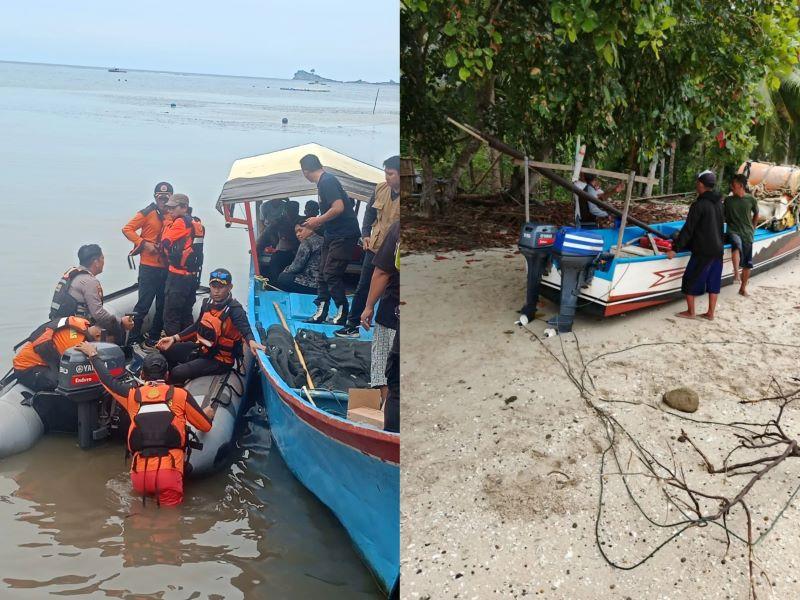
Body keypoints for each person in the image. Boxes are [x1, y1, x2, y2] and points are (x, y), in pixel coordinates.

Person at [73, 345, 213, 506]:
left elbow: (107, 381)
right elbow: (205, 427)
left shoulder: (132, 396)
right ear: (167, 375)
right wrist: (207, 414)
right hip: (169, 472)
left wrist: (93, 355)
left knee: (139, 514)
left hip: (140, 474)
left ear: (142, 375)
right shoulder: (181, 395)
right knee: (170, 519)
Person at [155, 269, 265, 385]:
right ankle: (171, 382)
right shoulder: (207, 304)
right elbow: (197, 326)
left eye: (221, 287)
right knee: (167, 350)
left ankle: (177, 385)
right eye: (213, 286)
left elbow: (245, 329)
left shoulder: (235, 310)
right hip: (203, 350)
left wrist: (251, 342)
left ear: (230, 287)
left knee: (178, 372)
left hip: (220, 360)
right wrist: (173, 338)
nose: (216, 291)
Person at [336, 155, 402, 338]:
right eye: (386, 173)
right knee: (363, 286)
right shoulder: (380, 188)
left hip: (396, 251)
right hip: (376, 246)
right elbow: (369, 214)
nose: (387, 177)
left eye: (391, 174)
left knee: (392, 292)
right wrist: (365, 235)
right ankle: (352, 325)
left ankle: (389, 330)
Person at [300, 154, 361, 325]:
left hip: (344, 234)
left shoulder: (327, 181)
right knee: (322, 273)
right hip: (332, 233)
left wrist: (318, 220)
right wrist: (313, 225)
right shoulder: (322, 183)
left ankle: (342, 311)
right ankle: (321, 311)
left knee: (331, 273)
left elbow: (338, 207)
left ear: (305, 171)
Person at [666, 170, 725, 320]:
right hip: (718, 249)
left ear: (701, 184)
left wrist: (675, 249)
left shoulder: (699, 204)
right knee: (713, 281)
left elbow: (688, 229)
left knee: (689, 279)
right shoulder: (719, 203)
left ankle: (691, 312)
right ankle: (710, 313)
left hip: (703, 250)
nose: (696, 185)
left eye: (697, 182)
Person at [122, 181, 174, 347]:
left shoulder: (173, 216)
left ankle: (154, 337)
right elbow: (127, 229)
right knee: (143, 304)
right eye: (160, 197)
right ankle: (133, 338)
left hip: (166, 267)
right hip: (148, 267)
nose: (163, 200)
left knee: (162, 305)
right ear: (155, 197)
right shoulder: (147, 212)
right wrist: (143, 244)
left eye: (166, 197)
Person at [49, 244, 134, 341]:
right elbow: (99, 314)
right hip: (73, 331)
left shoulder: (72, 274)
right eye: (102, 258)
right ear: (96, 262)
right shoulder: (89, 281)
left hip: (61, 324)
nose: (104, 262)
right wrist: (121, 322)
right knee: (116, 330)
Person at [360, 221, 400, 424]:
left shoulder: (398, 228)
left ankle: (387, 419)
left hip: (394, 313)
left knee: (387, 373)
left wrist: (369, 306)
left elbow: (382, 272)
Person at [13, 316, 102, 391]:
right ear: (98, 335)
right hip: (26, 368)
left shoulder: (82, 323)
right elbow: (71, 370)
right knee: (60, 383)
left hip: (40, 362)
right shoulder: (74, 345)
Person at [160, 194, 205, 336]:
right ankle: (188, 344)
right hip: (191, 277)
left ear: (184, 207)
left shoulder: (180, 222)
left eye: (173, 208)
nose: (169, 211)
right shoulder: (195, 222)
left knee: (171, 315)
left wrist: (168, 225)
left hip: (177, 277)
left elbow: (165, 241)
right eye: (168, 208)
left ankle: (171, 346)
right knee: (186, 314)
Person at [724, 173, 759, 296]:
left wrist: (753, 228)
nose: (731, 187)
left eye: (733, 185)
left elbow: (756, 213)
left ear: (741, 185)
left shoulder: (751, 199)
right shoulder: (728, 200)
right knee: (736, 244)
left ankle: (742, 289)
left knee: (747, 264)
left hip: (747, 233)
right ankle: (736, 274)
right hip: (733, 231)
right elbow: (722, 216)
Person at [275, 219, 323, 294]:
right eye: (296, 232)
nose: (298, 234)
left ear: (310, 228)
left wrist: (285, 270)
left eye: (300, 230)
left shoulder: (306, 242)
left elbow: (296, 267)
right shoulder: (323, 240)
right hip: (325, 283)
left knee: (283, 277)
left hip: (312, 284)